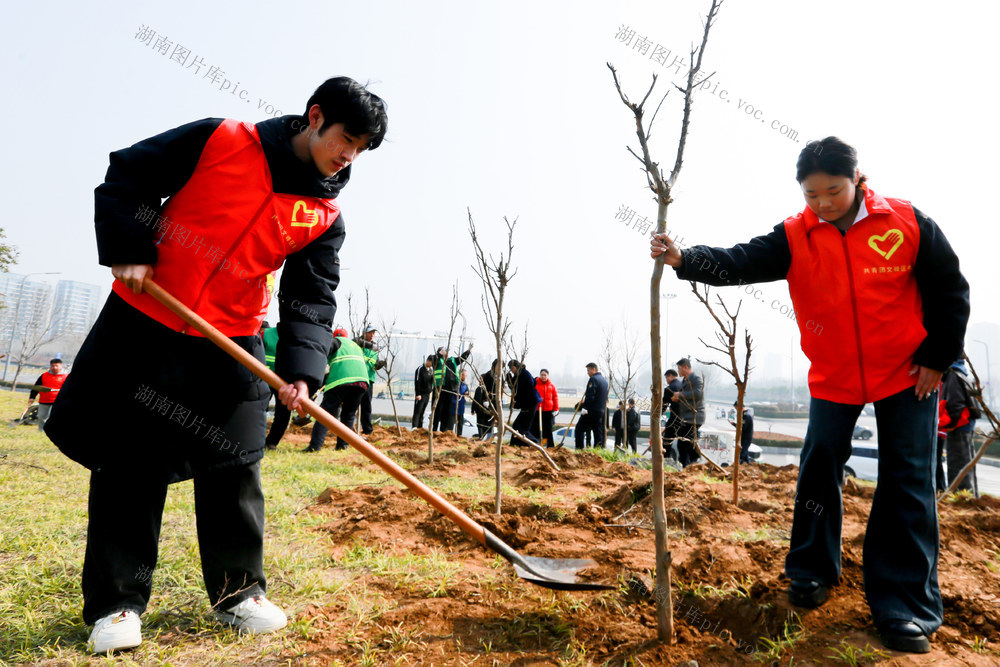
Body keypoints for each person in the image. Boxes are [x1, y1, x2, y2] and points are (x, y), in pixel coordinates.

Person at [44, 76, 388, 653]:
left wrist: (303, 370)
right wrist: (131, 248)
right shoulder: (221, 140)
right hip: (149, 316)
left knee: (235, 462)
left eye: (360, 149)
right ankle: (117, 606)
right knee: (131, 462)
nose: (348, 155)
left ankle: (238, 592)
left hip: (232, 335)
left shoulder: (323, 216)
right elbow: (127, 173)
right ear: (314, 116)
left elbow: (311, 296)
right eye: (345, 138)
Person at [650, 136, 969, 654]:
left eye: (833, 191)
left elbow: (950, 289)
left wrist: (938, 358)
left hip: (908, 374)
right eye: (812, 194)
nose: (822, 203)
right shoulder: (798, 235)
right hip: (836, 376)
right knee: (819, 465)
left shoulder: (907, 223)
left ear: (858, 179)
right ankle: (812, 571)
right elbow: (742, 261)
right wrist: (686, 259)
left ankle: (903, 605)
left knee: (907, 479)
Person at [307, 328, 370, 452]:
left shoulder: (334, 341)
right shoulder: (355, 346)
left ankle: (315, 447)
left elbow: (322, 360)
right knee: (349, 414)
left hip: (341, 380)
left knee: (325, 414)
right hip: (362, 381)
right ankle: (342, 445)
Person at [941, 358, 980, 496]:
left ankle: (961, 496)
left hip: (959, 427)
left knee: (958, 464)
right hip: (966, 426)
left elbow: (956, 403)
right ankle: (971, 495)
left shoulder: (953, 374)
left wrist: (950, 424)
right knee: (967, 464)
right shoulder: (964, 372)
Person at [261, 323, 290, 450]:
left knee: (283, 413)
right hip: (265, 377)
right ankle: (260, 441)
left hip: (282, 380)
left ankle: (271, 443)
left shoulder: (294, 336)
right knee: (260, 410)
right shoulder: (266, 333)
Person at [671, 359, 705, 466]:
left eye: (679, 368)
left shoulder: (696, 379)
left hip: (695, 416)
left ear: (685, 367)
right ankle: (685, 466)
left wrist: (680, 395)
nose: (678, 371)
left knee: (687, 442)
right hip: (687, 417)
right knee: (682, 443)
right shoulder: (684, 381)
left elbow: (698, 393)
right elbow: (685, 396)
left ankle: (695, 460)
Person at [432, 345, 472, 432]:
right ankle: (434, 430)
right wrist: (439, 354)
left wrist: (468, 352)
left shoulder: (452, 360)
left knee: (447, 411)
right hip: (440, 388)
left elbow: (461, 358)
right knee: (438, 410)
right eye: (444, 351)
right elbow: (434, 361)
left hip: (451, 389)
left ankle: (444, 430)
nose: (446, 352)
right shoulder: (437, 359)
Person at [355, 324, 385, 435]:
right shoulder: (358, 343)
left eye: (373, 333)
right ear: (364, 333)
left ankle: (367, 430)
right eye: (370, 332)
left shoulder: (375, 348)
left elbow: (374, 365)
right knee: (352, 404)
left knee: (366, 406)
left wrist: (379, 365)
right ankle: (346, 428)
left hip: (369, 380)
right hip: (358, 378)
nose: (372, 335)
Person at [28, 358, 69, 431]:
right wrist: (32, 397)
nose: (54, 367)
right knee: (41, 417)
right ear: (50, 366)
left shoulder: (66, 376)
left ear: (61, 366)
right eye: (53, 366)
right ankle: (41, 431)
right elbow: (36, 387)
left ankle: (53, 432)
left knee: (52, 417)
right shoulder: (44, 375)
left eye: (57, 366)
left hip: (57, 401)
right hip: (44, 400)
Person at [575, 362, 609, 449]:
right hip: (600, 411)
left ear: (594, 369)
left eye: (588, 370)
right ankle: (598, 450)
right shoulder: (604, 381)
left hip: (591, 410)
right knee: (597, 431)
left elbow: (590, 396)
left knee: (579, 429)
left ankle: (579, 449)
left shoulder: (593, 379)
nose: (587, 372)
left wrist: (585, 408)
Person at [507, 360, 540, 444]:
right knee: (517, 426)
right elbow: (514, 387)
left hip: (530, 404)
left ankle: (534, 443)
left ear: (514, 367)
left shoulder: (524, 374)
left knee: (522, 428)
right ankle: (515, 445)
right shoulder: (520, 374)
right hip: (527, 404)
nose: (511, 371)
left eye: (511, 369)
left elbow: (527, 385)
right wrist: (509, 380)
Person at [532, 369, 559, 446]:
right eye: (542, 375)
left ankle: (550, 445)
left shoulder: (552, 386)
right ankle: (535, 443)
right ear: (540, 375)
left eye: (545, 375)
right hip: (537, 409)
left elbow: (555, 398)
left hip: (548, 410)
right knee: (535, 427)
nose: (543, 376)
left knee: (548, 428)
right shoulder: (535, 384)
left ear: (548, 376)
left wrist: (556, 409)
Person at [661, 369, 683, 460]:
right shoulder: (683, 385)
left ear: (670, 376)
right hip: (687, 418)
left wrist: (658, 413)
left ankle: (666, 459)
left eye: (666, 378)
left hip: (675, 418)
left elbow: (664, 404)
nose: (666, 380)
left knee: (667, 439)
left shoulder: (669, 389)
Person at [412, 356, 434, 429]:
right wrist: (418, 394)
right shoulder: (420, 369)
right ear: (428, 361)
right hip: (420, 394)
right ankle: (414, 427)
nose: (431, 365)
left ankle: (420, 428)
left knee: (422, 412)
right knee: (417, 412)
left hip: (427, 395)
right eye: (431, 363)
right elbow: (417, 382)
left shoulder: (430, 370)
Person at [455, 368, 470, 436]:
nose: (465, 377)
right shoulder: (455, 382)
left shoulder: (465, 384)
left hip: (461, 405)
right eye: (464, 375)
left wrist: (467, 393)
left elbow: (467, 391)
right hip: (454, 404)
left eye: (466, 375)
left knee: (460, 421)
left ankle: (459, 435)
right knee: (452, 421)